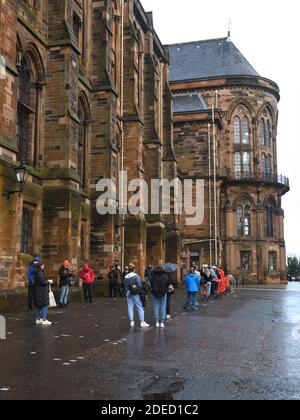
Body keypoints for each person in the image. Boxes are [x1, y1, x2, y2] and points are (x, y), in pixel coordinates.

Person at [124, 263, 149, 328]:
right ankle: (142, 321)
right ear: (134, 269)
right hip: (135, 293)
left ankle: (132, 321)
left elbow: (125, 285)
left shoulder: (125, 276)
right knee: (139, 306)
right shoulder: (136, 276)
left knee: (130, 306)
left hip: (128, 293)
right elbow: (140, 285)